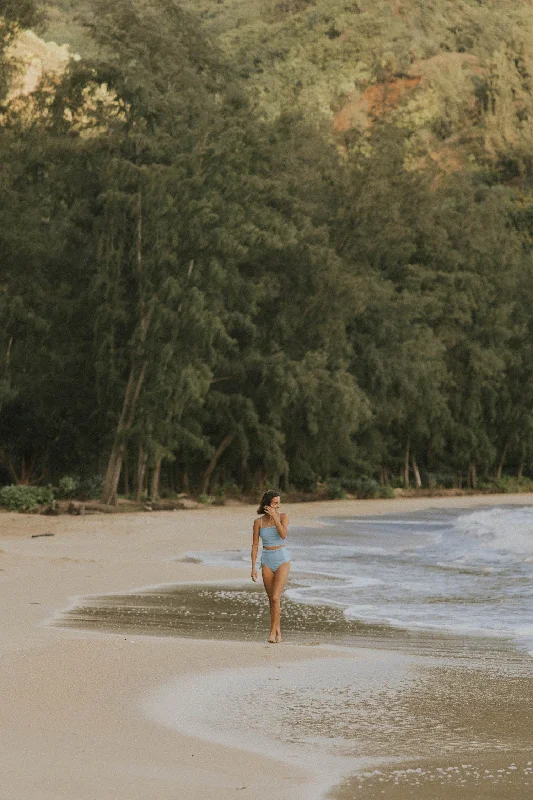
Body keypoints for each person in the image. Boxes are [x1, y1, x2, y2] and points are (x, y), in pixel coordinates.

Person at [251, 489, 291, 643]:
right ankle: (278, 631)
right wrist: (253, 567)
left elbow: (283, 535)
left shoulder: (283, 517)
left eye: (278, 504)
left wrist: (275, 518)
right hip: (266, 559)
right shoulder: (258, 522)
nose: (277, 506)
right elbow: (255, 545)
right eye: (275, 503)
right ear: (267, 504)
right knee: (271, 600)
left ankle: (272, 633)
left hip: (282, 558)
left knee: (276, 596)